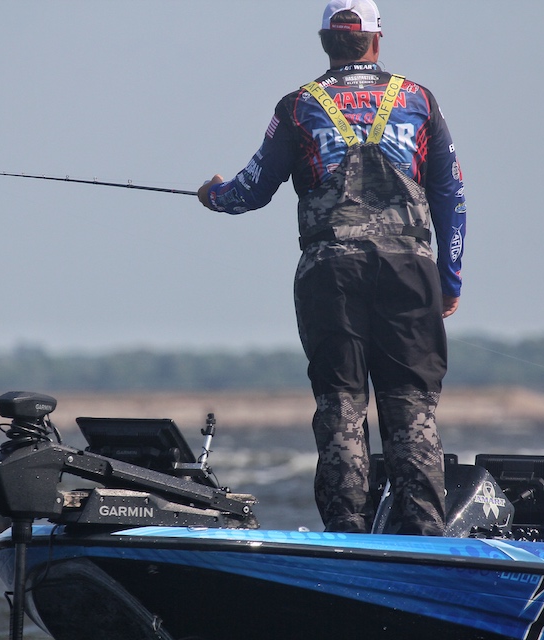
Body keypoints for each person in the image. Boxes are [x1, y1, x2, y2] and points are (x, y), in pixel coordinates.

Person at [198, 0, 466, 535]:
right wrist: (450, 279)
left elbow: (248, 192)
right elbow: (450, 193)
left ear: (325, 42)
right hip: (410, 270)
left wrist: (212, 194)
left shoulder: (298, 105)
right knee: (412, 406)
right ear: (376, 40)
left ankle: (347, 534)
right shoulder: (419, 99)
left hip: (329, 273)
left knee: (341, 406)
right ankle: (427, 536)